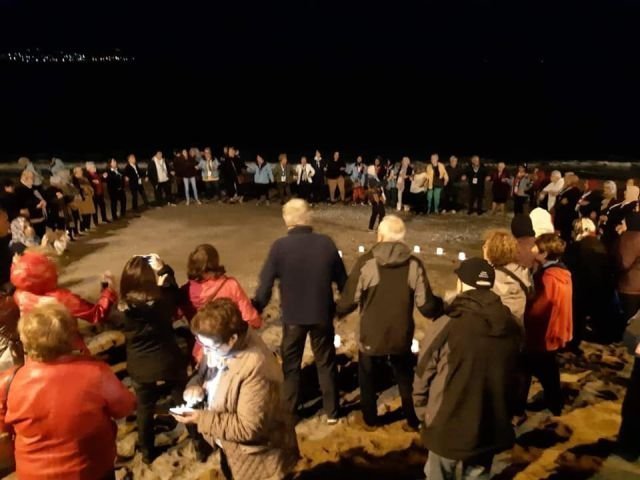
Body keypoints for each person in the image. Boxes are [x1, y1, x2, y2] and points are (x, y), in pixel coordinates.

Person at [0, 302, 136, 480]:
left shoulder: (8, 382)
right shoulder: (95, 373)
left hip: (33, 474)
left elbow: (4, 429)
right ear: (69, 337)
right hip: (89, 470)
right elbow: (125, 407)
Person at [413, 258, 521, 480]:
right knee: (478, 473)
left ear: (462, 284)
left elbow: (424, 372)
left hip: (446, 423)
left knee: (438, 474)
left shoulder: (448, 324)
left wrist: (424, 412)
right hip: (489, 423)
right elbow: (517, 374)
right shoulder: (512, 325)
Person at [173, 299, 299, 480]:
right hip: (231, 449)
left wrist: (200, 418)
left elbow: (248, 427)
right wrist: (194, 385)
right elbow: (202, 371)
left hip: (258, 459)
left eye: (209, 346)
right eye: (201, 344)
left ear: (232, 339)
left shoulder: (255, 366)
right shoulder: (218, 347)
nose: (206, 352)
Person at [337, 215, 443, 428]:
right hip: (401, 333)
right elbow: (426, 305)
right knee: (404, 375)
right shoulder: (413, 264)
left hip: (371, 334)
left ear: (380, 236)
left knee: (367, 376)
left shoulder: (367, 263)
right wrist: (441, 306)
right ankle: (412, 417)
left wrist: (336, 310)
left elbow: (350, 299)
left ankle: (370, 419)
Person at [254, 199, 347, 423]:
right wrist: (341, 307)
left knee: (291, 365)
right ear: (308, 217)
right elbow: (343, 282)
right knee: (325, 361)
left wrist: (256, 306)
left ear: (287, 220)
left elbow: (265, 284)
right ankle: (332, 411)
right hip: (321, 313)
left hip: (293, 316)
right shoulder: (326, 243)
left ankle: (290, 411)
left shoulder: (280, 247)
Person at [119, 254, 187, 463]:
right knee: (182, 401)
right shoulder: (163, 301)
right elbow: (173, 289)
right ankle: (199, 443)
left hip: (140, 366)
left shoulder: (122, 310)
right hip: (168, 360)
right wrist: (163, 269)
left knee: (145, 409)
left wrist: (106, 287)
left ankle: (148, 453)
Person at [11, 249, 118, 353]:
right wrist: (109, 290)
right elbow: (97, 314)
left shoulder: (19, 295)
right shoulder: (61, 299)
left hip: (36, 351)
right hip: (67, 351)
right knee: (118, 335)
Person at [523, 233, 573, 416]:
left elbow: (539, 308)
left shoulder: (548, 277)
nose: (532, 250)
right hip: (555, 328)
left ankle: (553, 402)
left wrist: (524, 313)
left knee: (541, 367)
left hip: (545, 331)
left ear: (544, 253)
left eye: (536, 248)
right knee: (548, 368)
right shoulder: (561, 272)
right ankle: (554, 401)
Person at [564, 218, 616, 347]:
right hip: (600, 286)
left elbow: (569, 267)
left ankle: (574, 342)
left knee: (577, 317)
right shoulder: (601, 245)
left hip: (580, 288)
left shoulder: (576, 247)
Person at [483, 229, 531, 328]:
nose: (483, 248)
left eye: (486, 246)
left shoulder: (493, 277)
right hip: (519, 327)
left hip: (500, 329)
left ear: (494, 250)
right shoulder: (522, 271)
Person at [616, 212, 640, 342]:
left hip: (630, 284)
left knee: (628, 317)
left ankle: (625, 341)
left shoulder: (631, 238)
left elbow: (624, 263)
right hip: (636, 284)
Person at [601, 185, 639, 252]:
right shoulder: (618, 205)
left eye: (627, 191)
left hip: (622, 238)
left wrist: (609, 218)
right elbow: (606, 212)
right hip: (609, 235)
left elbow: (625, 218)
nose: (624, 192)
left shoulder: (634, 206)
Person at [14, 170, 47, 238]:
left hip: (40, 220)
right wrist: (37, 206)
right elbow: (21, 209)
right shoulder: (20, 191)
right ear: (25, 178)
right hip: (31, 223)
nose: (34, 179)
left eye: (33, 177)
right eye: (32, 178)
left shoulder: (33, 188)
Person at [553, 173, 582, 243]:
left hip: (567, 218)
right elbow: (560, 201)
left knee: (565, 236)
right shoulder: (565, 189)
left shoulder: (575, 191)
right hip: (560, 216)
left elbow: (570, 204)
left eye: (566, 179)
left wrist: (560, 203)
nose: (565, 180)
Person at [72, 166, 95, 232]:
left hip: (88, 198)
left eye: (81, 170)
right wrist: (84, 188)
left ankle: (87, 226)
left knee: (88, 213)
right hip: (81, 199)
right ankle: (82, 228)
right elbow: (76, 189)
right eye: (80, 171)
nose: (81, 172)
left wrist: (90, 190)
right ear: (75, 172)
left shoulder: (85, 179)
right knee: (83, 214)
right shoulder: (74, 180)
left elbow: (90, 186)